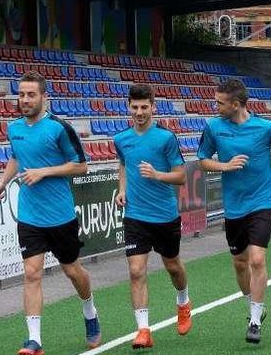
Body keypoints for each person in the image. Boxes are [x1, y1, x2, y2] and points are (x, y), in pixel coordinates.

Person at [0, 71, 98, 355]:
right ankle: (34, 340)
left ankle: (89, 310)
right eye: (21, 94)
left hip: (60, 215)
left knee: (72, 270)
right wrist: (2, 182)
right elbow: (16, 157)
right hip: (30, 216)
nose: (24, 100)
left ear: (44, 98)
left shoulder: (60, 129)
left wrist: (44, 172)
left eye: (30, 95)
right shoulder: (14, 128)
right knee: (31, 273)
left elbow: (80, 166)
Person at [197, 79, 271, 344]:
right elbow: (203, 160)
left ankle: (254, 321)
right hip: (234, 206)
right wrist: (225, 166)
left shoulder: (266, 127)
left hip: (262, 201)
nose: (215, 106)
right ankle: (254, 304)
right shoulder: (214, 127)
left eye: (219, 102)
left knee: (256, 259)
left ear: (236, 104)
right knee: (240, 263)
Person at [113, 84, 192, 349]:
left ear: (153, 107)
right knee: (136, 271)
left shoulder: (165, 138)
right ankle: (143, 330)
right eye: (134, 107)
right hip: (135, 215)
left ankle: (183, 300)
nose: (139, 112)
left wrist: (158, 175)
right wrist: (121, 189)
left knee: (173, 267)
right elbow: (123, 165)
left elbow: (181, 176)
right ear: (128, 107)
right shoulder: (121, 139)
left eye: (144, 107)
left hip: (165, 215)